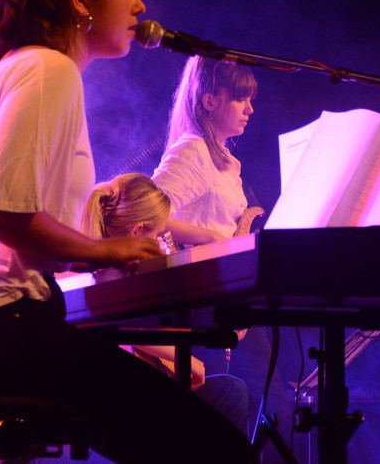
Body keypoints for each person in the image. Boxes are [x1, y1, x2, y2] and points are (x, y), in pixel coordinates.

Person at [0, 0, 258, 464]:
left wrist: (90, 258)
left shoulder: (4, 75)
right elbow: (0, 214)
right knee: (218, 449)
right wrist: (109, 250)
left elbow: (3, 230)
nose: (140, 5)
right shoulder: (48, 69)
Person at [152, 55, 294, 463]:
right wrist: (210, 238)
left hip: (229, 300)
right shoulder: (192, 151)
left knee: (270, 412)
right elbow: (147, 214)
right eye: (241, 98)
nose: (251, 108)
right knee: (261, 413)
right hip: (205, 306)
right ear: (210, 100)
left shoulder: (224, 160)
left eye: (251, 99)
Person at [80, 172, 249, 434]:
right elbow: (114, 325)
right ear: (137, 231)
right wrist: (181, 357)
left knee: (229, 388)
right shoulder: (95, 270)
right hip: (117, 395)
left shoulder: (121, 266)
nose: (160, 244)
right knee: (231, 393)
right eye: (157, 235)